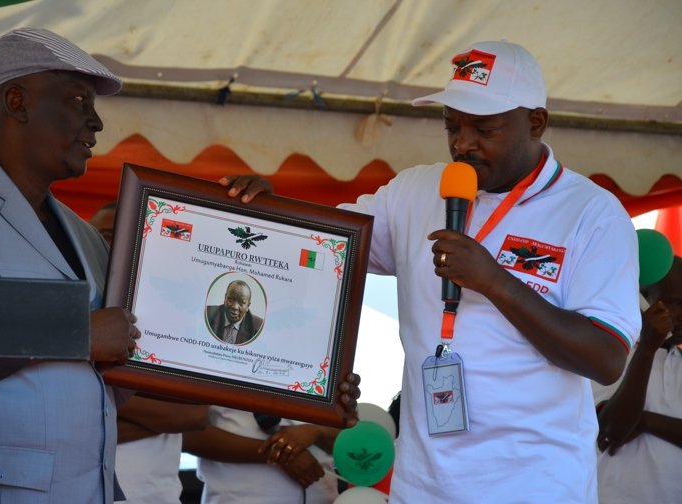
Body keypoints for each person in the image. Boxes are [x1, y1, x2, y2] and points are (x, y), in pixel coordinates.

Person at [225, 40, 641, 502]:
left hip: (534, 485)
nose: (462, 143)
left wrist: (495, 282)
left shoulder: (591, 214)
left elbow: (605, 358)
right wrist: (264, 213)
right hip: (423, 485)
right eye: (452, 125)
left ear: (536, 122)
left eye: (484, 128)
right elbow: (325, 248)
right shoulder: (413, 191)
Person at [0, 27, 284, 503]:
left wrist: (244, 230)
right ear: (16, 102)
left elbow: (125, 365)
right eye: (78, 100)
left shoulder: (85, 236)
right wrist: (80, 333)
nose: (96, 123)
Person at [89, 202, 210, 504]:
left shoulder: (173, 323)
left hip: (154, 495)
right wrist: (156, 418)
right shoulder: (79, 317)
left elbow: (191, 415)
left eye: (126, 238)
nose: (111, 248)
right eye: (101, 236)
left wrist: (94, 400)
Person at [594, 255, 682, 503]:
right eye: (677, 303)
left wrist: (646, 421)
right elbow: (613, 430)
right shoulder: (611, 354)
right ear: (643, 300)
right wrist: (647, 349)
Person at [182, 406, 340, 504]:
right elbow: (189, 435)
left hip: (323, 497)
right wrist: (282, 453)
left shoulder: (326, 367)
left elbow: (345, 436)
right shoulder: (215, 361)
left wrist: (317, 431)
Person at [205, 279, 264, 345]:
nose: (235, 307)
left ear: (248, 306)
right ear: (225, 298)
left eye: (241, 302)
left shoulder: (258, 327)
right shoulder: (207, 314)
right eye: (231, 300)